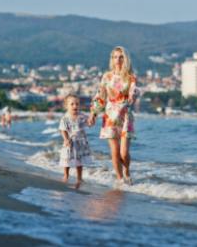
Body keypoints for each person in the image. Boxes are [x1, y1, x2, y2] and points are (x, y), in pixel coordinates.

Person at [88, 46, 139, 186]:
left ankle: (127, 170)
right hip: (110, 116)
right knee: (115, 152)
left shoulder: (130, 77)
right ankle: (120, 180)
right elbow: (100, 96)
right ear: (112, 59)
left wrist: (133, 96)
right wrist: (93, 113)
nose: (118, 60)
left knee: (124, 153)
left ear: (126, 59)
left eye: (121, 57)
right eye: (115, 57)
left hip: (125, 117)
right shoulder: (107, 76)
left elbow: (134, 91)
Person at [59, 94, 93, 189]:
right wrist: (65, 139)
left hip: (81, 142)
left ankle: (79, 178)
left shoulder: (82, 116)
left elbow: (89, 124)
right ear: (66, 106)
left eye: (77, 104)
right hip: (70, 141)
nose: (75, 106)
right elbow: (63, 130)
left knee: (79, 161)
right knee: (67, 160)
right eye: (72, 104)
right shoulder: (65, 118)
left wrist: (92, 119)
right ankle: (66, 175)